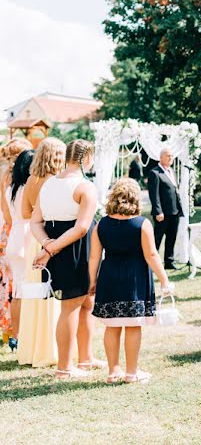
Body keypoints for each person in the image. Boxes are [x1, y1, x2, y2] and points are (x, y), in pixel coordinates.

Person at [88, 178, 171, 384]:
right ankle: (131, 373)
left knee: (112, 326)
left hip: (109, 277)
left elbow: (94, 257)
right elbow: (151, 255)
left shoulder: (101, 225)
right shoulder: (142, 224)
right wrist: (164, 279)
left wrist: (91, 281)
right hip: (135, 279)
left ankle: (113, 371)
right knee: (133, 326)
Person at [30, 139, 100, 379]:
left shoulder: (48, 184)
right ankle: (64, 368)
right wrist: (50, 249)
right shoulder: (85, 187)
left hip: (57, 246)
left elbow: (35, 222)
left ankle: (86, 358)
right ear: (86, 158)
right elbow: (81, 228)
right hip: (74, 249)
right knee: (70, 307)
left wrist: (47, 244)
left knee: (87, 303)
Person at [16, 137, 65, 367]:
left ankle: (32, 349)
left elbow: (26, 213)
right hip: (51, 239)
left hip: (35, 241)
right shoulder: (57, 181)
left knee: (35, 294)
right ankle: (50, 349)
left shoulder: (30, 180)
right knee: (51, 294)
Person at [1, 148, 34, 352]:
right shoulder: (29, 189)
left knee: (18, 290)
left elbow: (10, 218)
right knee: (29, 290)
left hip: (15, 236)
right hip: (28, 236)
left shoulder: (10, 189)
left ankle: (16, 336)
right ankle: (26, 336)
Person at [147, 148, 182, 270]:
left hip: (174, 211)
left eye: (172, 156)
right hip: (163, 213)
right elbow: (154, 194)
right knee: (157, 238)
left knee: (171, 238)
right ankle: (152, 263)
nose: (170, 158)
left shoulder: (171, 171)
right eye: (168, 156)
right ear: (161, 157)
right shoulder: (155, 173)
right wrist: (158, 211)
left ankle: (169, 261)